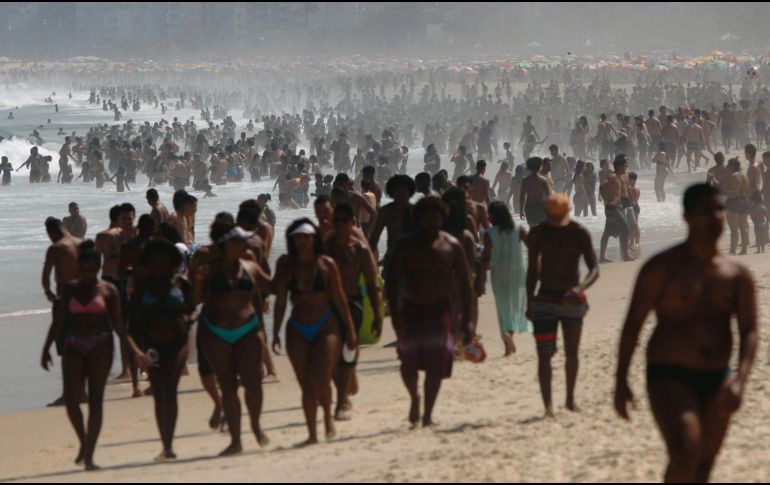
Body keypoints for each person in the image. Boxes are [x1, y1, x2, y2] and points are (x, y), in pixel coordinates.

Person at [614, 183, 758, 483]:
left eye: (720, 209)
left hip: (719, 377)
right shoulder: (661, 268)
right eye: (708, 211)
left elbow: (749, 331)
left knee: (703, 466)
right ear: (687, 216)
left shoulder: (736, 275)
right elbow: (632, 326)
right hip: (669, 375)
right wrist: (621, 380)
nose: (717, 217)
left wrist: (740, 381)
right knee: (685, 451)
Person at [41, 241, 148, 471]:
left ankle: (89, 455)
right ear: (78, 268)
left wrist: (136, 351)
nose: (88, 275)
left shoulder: (108, 291)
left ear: (99, 268)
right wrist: (46, 349)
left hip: (101, 344)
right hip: (73, 344)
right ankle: (83, 440)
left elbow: (119, 326)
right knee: (72, 401)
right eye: (84, 270)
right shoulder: (69, 289)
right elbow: (58, 321)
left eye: (92, 270)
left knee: (96, 402)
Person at [386, 197, 473, 428]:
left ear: (442, 219)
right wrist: (394, 315)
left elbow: (465, 285)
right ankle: (414, 397)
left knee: (436, 365)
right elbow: (392, 282)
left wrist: (468, 321)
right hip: (411, 311)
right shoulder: (405, 246)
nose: (432, 223)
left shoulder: (452, 246)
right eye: (427, 219)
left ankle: (428, 415)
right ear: (419, 220)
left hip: (440, 311)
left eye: (436, 219)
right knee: (408, 363)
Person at [272, 219, 357, 445]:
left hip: (325, 326)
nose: (301, 242)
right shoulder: (286, 265)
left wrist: (350, 331)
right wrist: (275, 332)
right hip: (297, 328)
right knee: (305, 384)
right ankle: (312, 434)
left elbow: (339, 299)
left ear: (314, 239)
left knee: (320, 376)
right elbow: (280, 302)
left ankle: (328, 419)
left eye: (305, 237)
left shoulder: (326, 264)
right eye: (297, 238)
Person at [193, 224, 270, 455]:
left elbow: (274, 285)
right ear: (227, 245)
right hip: (216, 333)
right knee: (227, 386)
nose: (245, 245)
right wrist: (197, 280)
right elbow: (195, 299)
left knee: (253, 382)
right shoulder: (209, 270)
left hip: (247, 329)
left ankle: (255, 425)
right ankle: (236, 440)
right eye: (240, 242)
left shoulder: (250, 266)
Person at [526, 194, 599, 417]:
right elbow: (531, 271)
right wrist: (529, 301)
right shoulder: (537, 234)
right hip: (545, 298)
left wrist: (579, 289)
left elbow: (594, 269)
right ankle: (548, 405)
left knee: (571, 353)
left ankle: (569, 399)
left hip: (571, 300)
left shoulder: (578, 233)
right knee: (544, 354)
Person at [131, 239, 195, 461]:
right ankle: (165, 443)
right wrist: (138, 350)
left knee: (171, 389)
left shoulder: (182, 284)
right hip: (152, 346)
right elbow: (134, 322)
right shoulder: (142, 287)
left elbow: (193, 309)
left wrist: (187, 320)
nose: (159, 266)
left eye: (163, 262)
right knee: (159, 393)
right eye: (154, 262)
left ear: (172, 263)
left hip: (178, 344)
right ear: (148, 264)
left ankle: (169, 443)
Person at [323, 204, 382, 421]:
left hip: (353, 305)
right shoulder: (325, 247)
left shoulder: (360, 250)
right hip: (327, 308)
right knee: (330, 354)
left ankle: (341, 401)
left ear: (352, 223)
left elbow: (371, 282)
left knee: (347, 353)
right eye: (335, 221)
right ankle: (342, 394)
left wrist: (377, 314)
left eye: (343, 221)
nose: (338, 225)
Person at [482, 201, 531, 357]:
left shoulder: (489, 233)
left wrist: (481, 274)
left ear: (492, 216)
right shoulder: (519, 229)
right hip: (518, 272)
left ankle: (507, 342)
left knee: (502, 306)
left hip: (499, 273)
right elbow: (533, 247)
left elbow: (487, 257)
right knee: (516, 304)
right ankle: (511, 332)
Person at [369, 175, 416, 263]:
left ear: (410, 192)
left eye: (403, 191)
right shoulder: (385, 211)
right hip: (392, 256)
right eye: (397, 191)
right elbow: (375, 237)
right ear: (391, 192)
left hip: (413, 257)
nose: (400, 194)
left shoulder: (416, 211)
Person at [599, 156, 633, 263]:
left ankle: (602, 257)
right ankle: (625, 256)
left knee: (608, 232)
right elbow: (602, 186)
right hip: (612, 208)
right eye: (625, 166)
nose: (626, 168)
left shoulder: (618, 177)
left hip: (614, 207)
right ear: (618, 167)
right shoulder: (613, 176)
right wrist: (608, 200)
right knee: (625, 229)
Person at [724, 158, 750, 255]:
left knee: (733, 228)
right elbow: (748, 189)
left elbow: (723, 187)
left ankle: (733, 250)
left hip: (733, 201)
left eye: (728, 167)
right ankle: (744, 249)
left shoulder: (732, 176)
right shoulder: (745, 176)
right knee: (743, 227)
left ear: (732, 166)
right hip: (744, 201)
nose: (728, 169)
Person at [519, 157, 551, 227]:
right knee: (542, 229)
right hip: (541, 206)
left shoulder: (525, 181)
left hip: (530, 206)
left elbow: (522, 196)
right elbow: (549, 196)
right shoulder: (543, 180)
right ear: (540, 167)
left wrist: (521, 210)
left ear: (529, 168)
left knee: (532, 229)